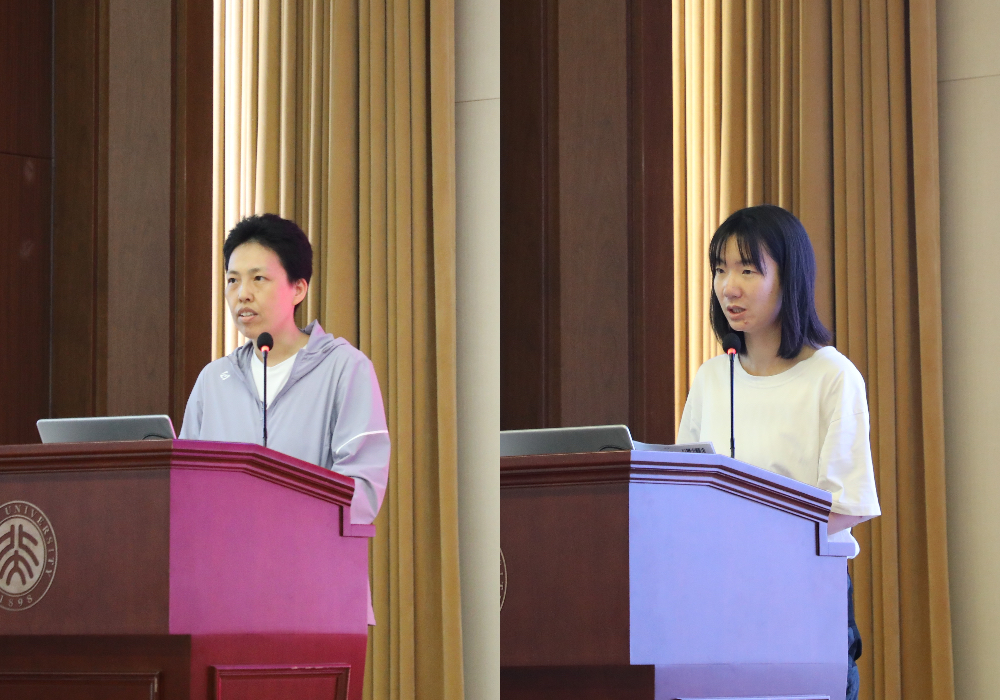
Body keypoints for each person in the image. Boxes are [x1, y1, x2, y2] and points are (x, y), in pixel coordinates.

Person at [676, 204, 880, 700]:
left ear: (789, 279)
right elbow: (681, 492)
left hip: (803, 597)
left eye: (748, 270)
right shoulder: (711, 378)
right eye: (720, 269)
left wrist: (752, 534)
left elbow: (848, 503)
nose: (729, 286)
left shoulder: (833, 376)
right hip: (717, 600)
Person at [180, 213, 390, 526]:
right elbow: (186, 485)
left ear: (298, 289)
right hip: (224, 551)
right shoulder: (214, 380)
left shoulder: (344, 369)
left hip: (308, 550)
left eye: (258, 278)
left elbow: (362, 490)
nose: (242, 293)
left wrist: (279, 517)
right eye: (233, 280)